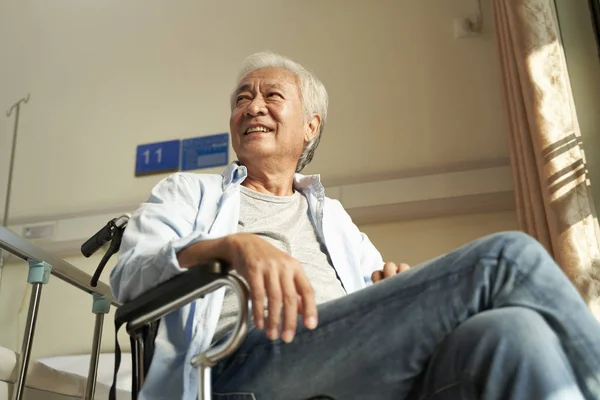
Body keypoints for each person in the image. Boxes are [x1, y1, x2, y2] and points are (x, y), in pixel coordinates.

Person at [110, 51, 600, 400]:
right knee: (506, 259)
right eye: (242, 98)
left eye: (271, 95)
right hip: (242, 366)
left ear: (310, 126)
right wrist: (229, 247)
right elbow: (129, 277)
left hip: (349, 366)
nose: (252, 107)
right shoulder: (187, 193)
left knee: (512, 333)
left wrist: (392, 286)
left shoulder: (334, 217)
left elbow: (371, 298)